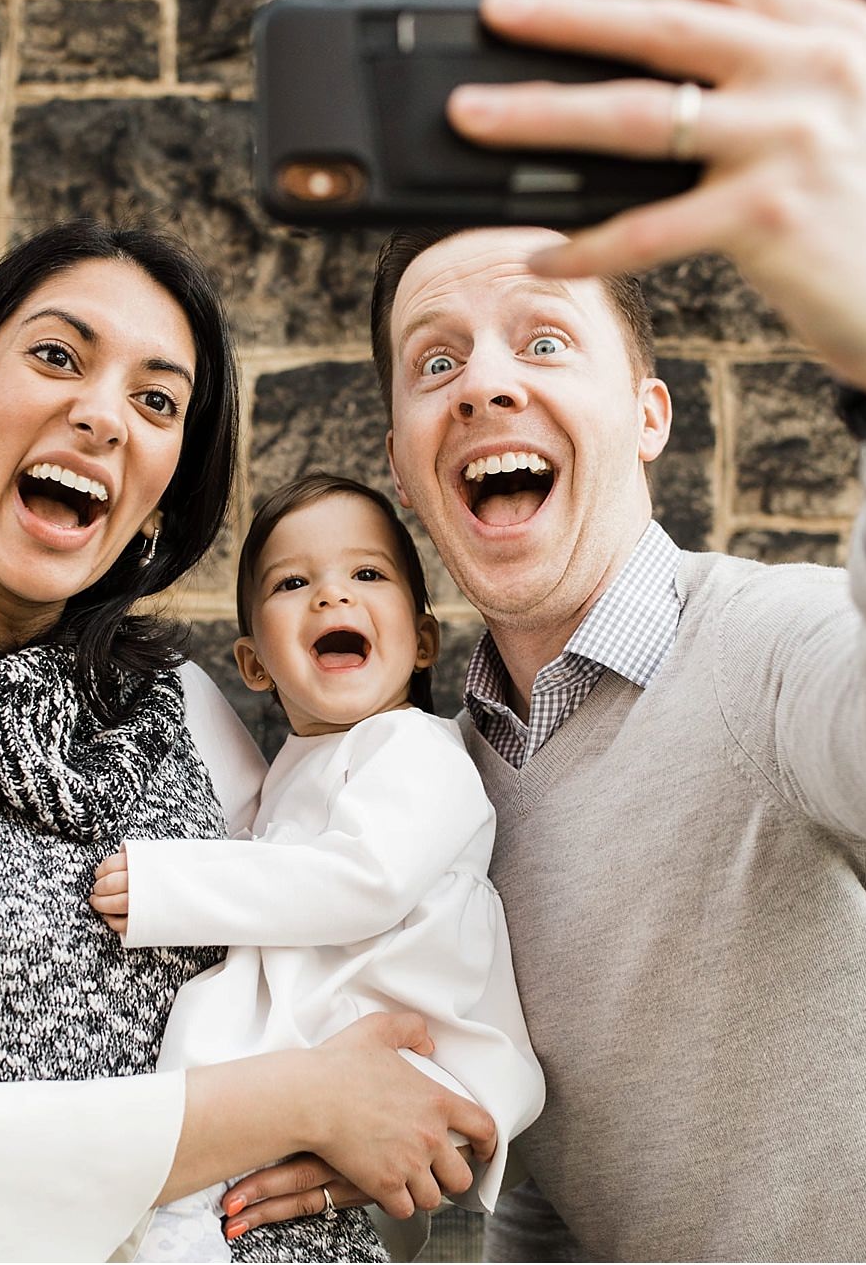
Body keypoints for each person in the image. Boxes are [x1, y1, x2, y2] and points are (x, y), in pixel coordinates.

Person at [215, 0, 866, 1261]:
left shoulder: (763, 645)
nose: (485, 383)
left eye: (546, 337)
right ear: (407, 456)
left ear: (647, 416)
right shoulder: (446, 786)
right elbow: (551, 1191)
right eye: (436, 358)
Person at [0, 219, 497, 1263]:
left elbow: (347, 977)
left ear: (160, 486)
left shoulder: (190, 709)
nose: (101, 415)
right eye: (59, 356)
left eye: (156, 400)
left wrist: (398, 1114)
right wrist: (295, 1098)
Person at [90, 473, 545, 1263]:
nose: (332, 597)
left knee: (212, 1030)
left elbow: (364, 880)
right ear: (254, 662)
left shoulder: (415, 748)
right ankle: (167, 1210)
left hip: (409, 1053)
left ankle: (169, 1214)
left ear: (423, 640)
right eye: (294, 582)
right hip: (321, 1064)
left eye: (367, 574)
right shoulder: (291, 769)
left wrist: (173, 887)